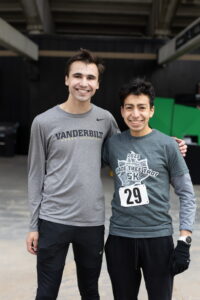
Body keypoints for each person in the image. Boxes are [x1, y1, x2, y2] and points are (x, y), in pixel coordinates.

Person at [26, 49, 187, 300]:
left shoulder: (105, 119)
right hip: (53, 218)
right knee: (46, 292)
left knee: (91, 291)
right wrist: (33, 225)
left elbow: (130, 145)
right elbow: (35, 175)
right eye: (77, 76)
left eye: (90, 78)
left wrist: (168, 144)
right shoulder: (43, 122)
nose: (83, 83)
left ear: (98, 84)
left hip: (92, 223)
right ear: (66, 79)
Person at [103, 78, 196, 300]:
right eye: (130, 108)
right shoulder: (112, 145)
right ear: (122, 111)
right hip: (120, 239)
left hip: (158, 240)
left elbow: (187, 194)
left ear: (152, 111)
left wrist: (184, 240)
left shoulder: (167, 145)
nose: (136, 114)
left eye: (142, 107)